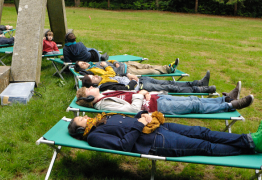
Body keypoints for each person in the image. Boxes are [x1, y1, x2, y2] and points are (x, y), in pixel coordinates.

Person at [68, 111, 262, 157]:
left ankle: (247, 140)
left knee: (203, 132)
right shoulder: (94, 136)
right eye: (82, 120)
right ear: (80, 130)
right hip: (154, 141)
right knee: (204, 146)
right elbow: (124, 146)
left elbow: (127, 122)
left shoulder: (103, 118)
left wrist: (142, 115)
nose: (85, 117)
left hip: (158, 127)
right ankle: (250, 146)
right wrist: (139, 123)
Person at [75, 81, 254, 115]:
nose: (91, 87)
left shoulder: (104, 94)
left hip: (155, 99)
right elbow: (132, 110)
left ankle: (225, 99)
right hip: (155, 108)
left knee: (194, 101)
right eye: (88, 89)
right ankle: (232, 106)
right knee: (194, 106)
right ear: (89, 99)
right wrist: (140, 94)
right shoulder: (104, 105)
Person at [82, 70, 216, 94]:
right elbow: (126, 88)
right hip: (140, 86)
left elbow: (119, 74)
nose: (94, 76)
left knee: (169, 82)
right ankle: (201, 90)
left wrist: (127, 74)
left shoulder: (104, 77)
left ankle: (197, 83)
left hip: (141, 80)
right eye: (92, 78)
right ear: (93, 84)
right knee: (171, 87)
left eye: (92, 75)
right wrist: (134, 80)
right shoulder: (104, 86)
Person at [74, 58, 179, 76]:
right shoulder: (93, 70)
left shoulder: (93, 63)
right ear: (82, 69)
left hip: (125, 64)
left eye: (83, 62)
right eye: (82, 64)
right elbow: (110, 74)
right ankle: (169, 69)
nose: (85, 63)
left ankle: (168, 67)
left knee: (147, 65)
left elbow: (108, 60)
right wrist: (106, 66)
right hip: (126, 70)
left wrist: (114, 62)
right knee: (150, 71)